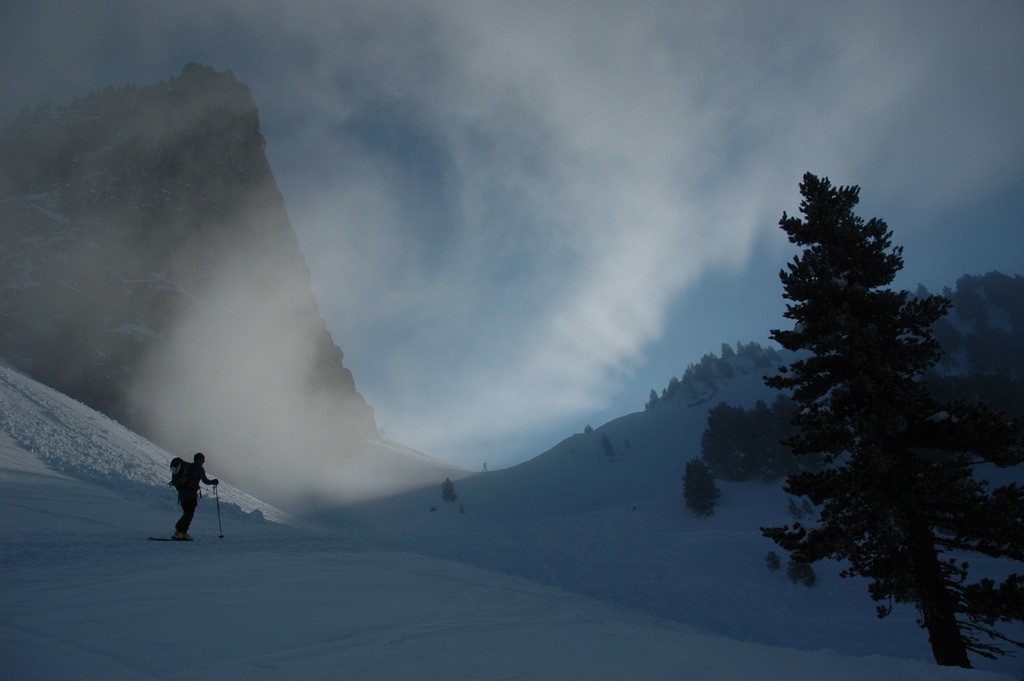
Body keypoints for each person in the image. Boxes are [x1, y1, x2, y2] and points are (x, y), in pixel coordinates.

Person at [174, 452, 219, 540]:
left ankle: (178, 531)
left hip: (182, 493)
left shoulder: (190, 467)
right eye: (203, 459)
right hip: (190, 494)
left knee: (186, 513)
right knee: (189, 514)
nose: (204, 461)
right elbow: (205, 481)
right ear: (199, 459)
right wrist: (214, 482)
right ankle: (182, 533)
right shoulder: (199, 468)